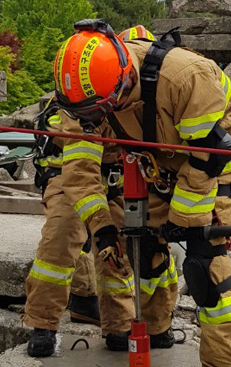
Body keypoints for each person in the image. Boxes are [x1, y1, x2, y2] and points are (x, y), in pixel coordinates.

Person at [52, 19, 231, 366]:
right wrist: (101, 228)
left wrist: (183, 219)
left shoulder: (186, 75)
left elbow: (209, 156)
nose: (92, 122)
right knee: (144, 244)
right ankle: (156, 328)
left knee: (204, 264)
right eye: (85, 115)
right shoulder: (85, 99)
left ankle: (226, 361)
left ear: (125, 79)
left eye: (99, 113)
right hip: (162, 162)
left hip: (220, 159)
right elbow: (81, 173)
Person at [24, 101, 174, 356]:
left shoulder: (137, 95)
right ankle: (42, 324)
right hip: (68, 175)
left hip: (119, 178)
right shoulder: (77, 101)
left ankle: (119, 325)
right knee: (60, 239)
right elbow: (80, 172)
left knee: (120, 250)